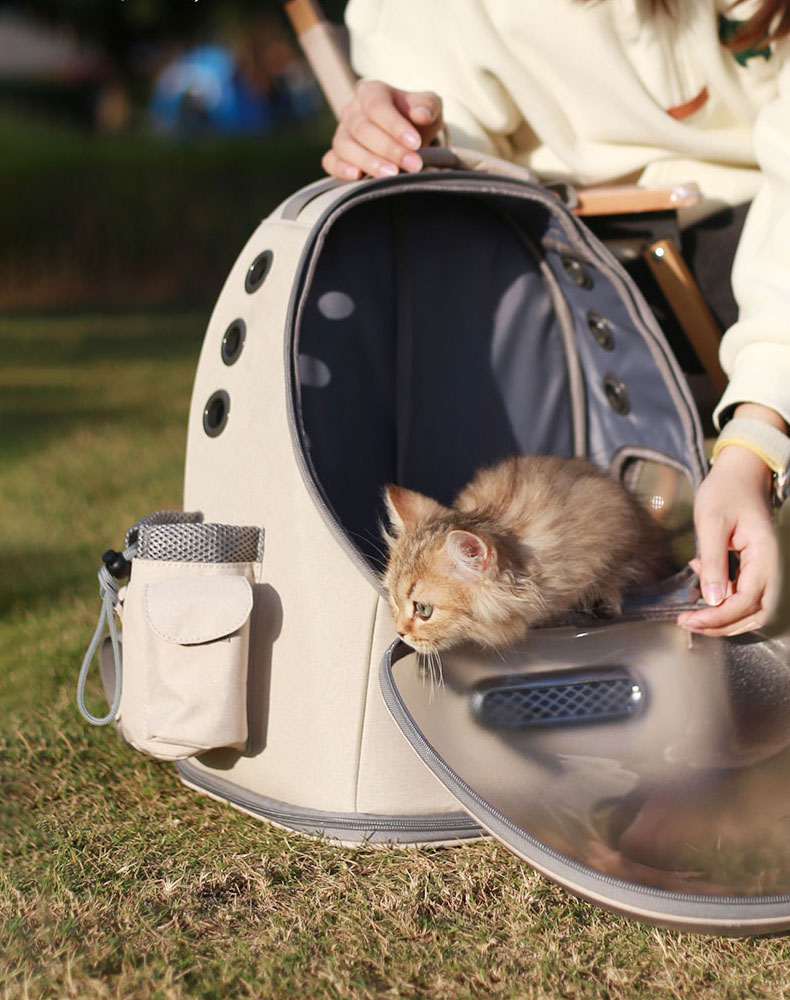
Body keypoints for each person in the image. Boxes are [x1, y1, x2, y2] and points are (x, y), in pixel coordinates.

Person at [321, 0, 790, 638]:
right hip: (551, 246)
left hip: (753, 225)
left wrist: (754, 442)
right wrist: (410, 131)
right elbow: (443, 116)